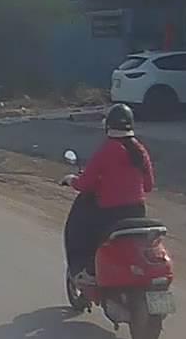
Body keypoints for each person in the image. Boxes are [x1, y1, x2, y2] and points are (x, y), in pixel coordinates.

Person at [62, 104, 155, 285]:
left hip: (110, 214)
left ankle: (89, 272)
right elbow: (149, 186)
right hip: (138, 211)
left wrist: (71, 179)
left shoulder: (107, 150)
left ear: (108, 126)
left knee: (80, 231)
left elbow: (84, 184)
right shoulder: (140, 150)